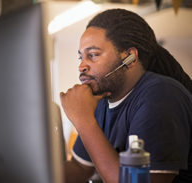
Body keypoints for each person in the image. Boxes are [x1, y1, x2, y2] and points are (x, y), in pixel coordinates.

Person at [61, 9, 192, 183]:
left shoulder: (161, 95)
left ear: (130, 57)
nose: (82, 66)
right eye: (81, 57)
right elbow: (80, 168)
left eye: (92, 55)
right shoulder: (102, 102)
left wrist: (84, 121)